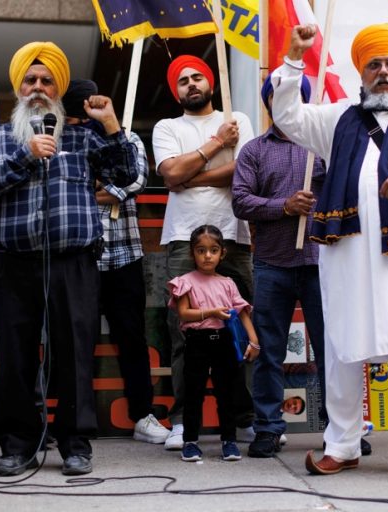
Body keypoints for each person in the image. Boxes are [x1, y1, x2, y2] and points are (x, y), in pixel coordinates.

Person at [272, 24, 388, 480]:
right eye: (373, 64)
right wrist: (295, 59)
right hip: (348, 255)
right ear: (361, 71)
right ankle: (342, 445)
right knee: (342, 349)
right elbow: (288, 118)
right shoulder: (337, 118)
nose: (383, 72)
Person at [0, 42, 138, 476]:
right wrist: (25, 155)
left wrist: (112, 124)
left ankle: (74, 442)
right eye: (30, 80)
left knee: (74, 352)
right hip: (14, 262)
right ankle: (17, 443)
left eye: (47, 81)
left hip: (73, 261)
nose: (38, 88)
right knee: (16, 355)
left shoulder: (82, 136)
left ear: (58, 89)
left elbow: (127, 174)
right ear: (17, 87)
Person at [152, 55, 256, 450]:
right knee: (183, 333)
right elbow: (169, 174)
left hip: (233, 234)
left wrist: (189, 175)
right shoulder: (167, 127)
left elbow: (242, 170)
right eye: (183, 81)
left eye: (197, 77)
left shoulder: (237, 118)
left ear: (210, 82)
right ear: (176, 91)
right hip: (181, 238)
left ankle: (244, 418)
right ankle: (182, 421)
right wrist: (216, 144)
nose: (191, 85)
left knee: (239, 328)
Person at [62, 79, 170, 444]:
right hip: (79, 257)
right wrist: (99, 192)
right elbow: (71, 188)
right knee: (75, 340)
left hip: (124, 253)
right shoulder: (66, 143)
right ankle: (72, 420)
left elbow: (134, 179)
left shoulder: (126, 140)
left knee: (132, 338)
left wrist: (97, 190)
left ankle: (142, 415)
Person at [232, 74, 331, 458]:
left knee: (331, 350)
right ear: (269, 102)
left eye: (292, 94)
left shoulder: (324, 149)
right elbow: (240, 201)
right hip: (272, 262)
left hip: (321, 261)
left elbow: (350, 193)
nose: (283, 100)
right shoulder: (254, 151)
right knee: (269, 350)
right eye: (276, 94)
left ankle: (339, 429)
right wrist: (284, 206)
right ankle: (269, 429)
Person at [167, 225, 260, 462]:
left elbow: (241, 312)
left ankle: (229, 441)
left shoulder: (228, 282)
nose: (207, 255)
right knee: (193, 393)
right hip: (197, 343)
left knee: (226, 393)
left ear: (222, 253)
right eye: (201, 250)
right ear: (192, 253)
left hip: (224, 343)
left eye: (213, 250)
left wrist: (254, 340)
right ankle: (190, 441)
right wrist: (211, 313)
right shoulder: (185, 282)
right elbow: (184, 313)